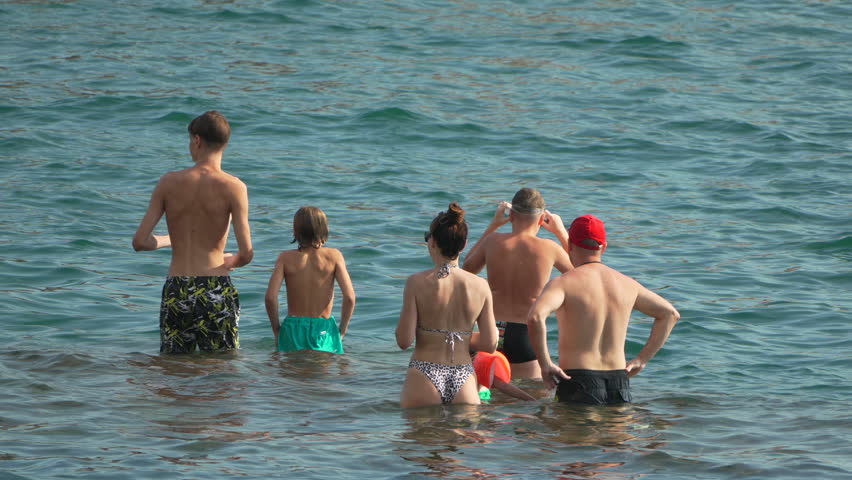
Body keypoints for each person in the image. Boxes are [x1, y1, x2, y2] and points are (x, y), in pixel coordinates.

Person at [132, 110, 253, 353]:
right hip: (215, 285)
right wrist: (232, 261)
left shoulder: (168, 182)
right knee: (221, 368)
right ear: (225, 144)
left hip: (178, 287)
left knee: (174, 365)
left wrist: (172, 240)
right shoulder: (234, 187)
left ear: (197, 140)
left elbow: (140, 242)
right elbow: (247, 252)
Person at [527, 214, 680, 405]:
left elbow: (535, 317)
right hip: (619, 381)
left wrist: (545, 364)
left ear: (571, 246)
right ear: (604, 247)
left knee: (571, 434)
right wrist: (641, 359)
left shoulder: (563, 284)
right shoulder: (627, 284)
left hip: (578, 380)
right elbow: (670, 314)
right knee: (615, 434)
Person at [462, 188, 573, 379]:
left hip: (492, 333)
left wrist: (493, 226)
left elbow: (467, 269)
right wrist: (561, 232)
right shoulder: (549, 248)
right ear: (541, 220)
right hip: (527, 336)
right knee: (529, 401)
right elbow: (583, 274)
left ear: (511, 215)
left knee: (487, 396)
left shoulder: (493, 241)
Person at [396, 202, 498, 408]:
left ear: (432, 242)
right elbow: (489, 344)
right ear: (464, 244)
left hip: (424, 371)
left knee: (421, 437)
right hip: (463, 374)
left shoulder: (416, 282)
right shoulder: (480, 285)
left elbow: (404, 340)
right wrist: (462, 336)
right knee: (465, 436)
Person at [265, 206, 355, 354]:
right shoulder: (334, 256)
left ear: (296, 231)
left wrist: (277, 331)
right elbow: (350, 298)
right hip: (323, 328)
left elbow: (270, 297)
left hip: (292, 328)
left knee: (290, 374)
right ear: (324, 229)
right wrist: (342, 331)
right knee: (322, 373)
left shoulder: (285, 258)